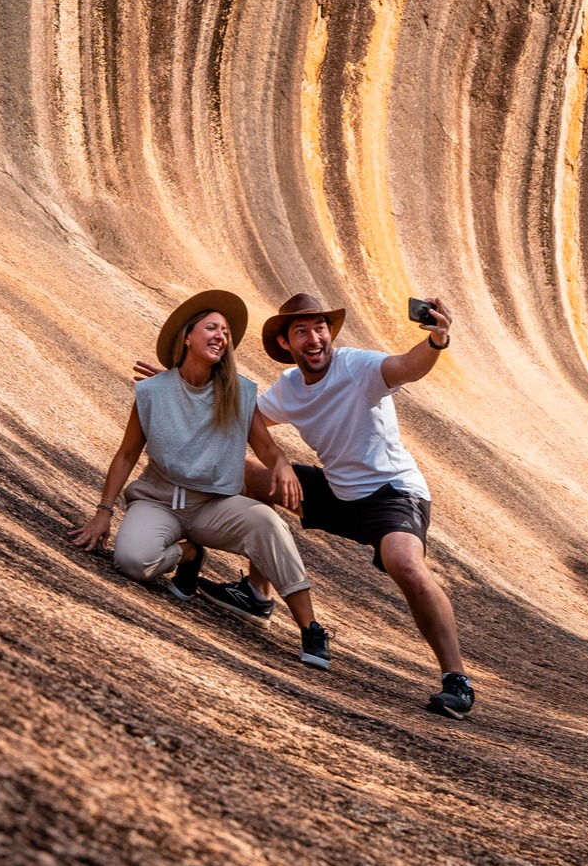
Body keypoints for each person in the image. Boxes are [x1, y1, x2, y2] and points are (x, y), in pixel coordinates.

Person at [151, 291, 474, 717]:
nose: (314, 338)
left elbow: (406, 367)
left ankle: (456, 679)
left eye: (320, 328)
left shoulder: (357, 367)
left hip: (392, 494)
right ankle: (256, 594)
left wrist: (436, 341)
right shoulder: (289, 389)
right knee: (243, 468)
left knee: (406, 564)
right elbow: (239, 419)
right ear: (286, 345)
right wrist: (182, 391)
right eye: (301, 332)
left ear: (330, 334)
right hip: (337, 491)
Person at [68, 290, 332, 671]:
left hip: (213, 507)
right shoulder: (153, 392)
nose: (221, 336)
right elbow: (127, 453)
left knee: (267, 522)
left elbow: (269, 449)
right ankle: (189, 555)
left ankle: (310, 627)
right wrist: (103, 512)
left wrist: (284, 466)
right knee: (131, 562)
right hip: (158, 501)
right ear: (187, 337)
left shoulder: (239, 393)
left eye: (225, 332)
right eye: (212, 327)